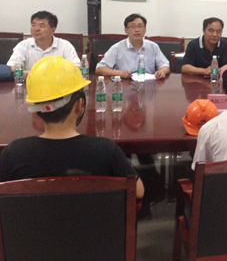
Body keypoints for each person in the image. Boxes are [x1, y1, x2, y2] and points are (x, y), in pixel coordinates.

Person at [0, 55, 144, 198]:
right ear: (79, 105)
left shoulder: (13, 154)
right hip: (90, 214)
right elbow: (138, 191)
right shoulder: (106, 150)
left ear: (37, 110)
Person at [96, 13, 170, 79]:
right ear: (126, 30)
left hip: (148, 85)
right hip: (125, 85)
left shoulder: (153, 47)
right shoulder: (117, 48)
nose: (137, 30)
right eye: (132, 26)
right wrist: (120, 73)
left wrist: (162, 71)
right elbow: (100, 68)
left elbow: (165, 65)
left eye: (140, 26)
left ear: (145, 29)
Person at [7, 11, 79, 76]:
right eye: (33, 25)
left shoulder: (65, 46)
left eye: (42, 26)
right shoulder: (23, 45)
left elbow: (76, 68)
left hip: (58, 84)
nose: (36, 29)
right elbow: (12, 67)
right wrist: (32, 75)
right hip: (30, 84)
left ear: (53, 30)